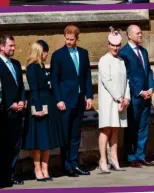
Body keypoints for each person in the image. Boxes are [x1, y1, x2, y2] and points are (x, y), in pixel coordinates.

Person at [50, 24, 93, 177]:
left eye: (72, 39)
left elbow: (87, 75)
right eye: (67, 39)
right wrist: (58, 99)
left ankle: (75, 164)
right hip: (65, 101)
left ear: (77, 39)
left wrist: (89, 95)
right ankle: (66, 166)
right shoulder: (58, 55)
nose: (69, 42)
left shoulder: (83, 53)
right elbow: (54, 79)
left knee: (75, 134)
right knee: (66, 134)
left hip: (79, 100)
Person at [22, 40, 62, 181]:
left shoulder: (42, 66)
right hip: (38, 105)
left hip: (48, 104)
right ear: (41, 51)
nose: (46, 55)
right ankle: (37, 169)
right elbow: (34, 89)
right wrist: (38, 108)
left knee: (47, 139)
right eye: (46, 52)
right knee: (38, 141)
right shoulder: (32, 67)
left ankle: (45, 169)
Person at [118, 24, 154, 168]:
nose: (141, 35)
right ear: (129, 35)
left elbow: (149, 71)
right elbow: (126, 76)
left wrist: (151, 87)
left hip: (147, 96)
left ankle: (141, 155)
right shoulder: (124, 53)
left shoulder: (144, 51)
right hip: (134, 96)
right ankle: (130, 156)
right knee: (132, 127)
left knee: (143, 127)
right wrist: (140, 92)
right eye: (138, 33)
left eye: (141, 33)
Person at [97, 27, 129, 173]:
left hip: (120, 101)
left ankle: (114, 158)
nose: (115, 48)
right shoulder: (104, 60)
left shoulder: (121, 61)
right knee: (106, 129)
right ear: (108, 44)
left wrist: (126, 97)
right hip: (108, 101)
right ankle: (103, 159)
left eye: (117, 45)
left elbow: (125, 81)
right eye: (113, 45)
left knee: (116, 130)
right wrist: (119, 97)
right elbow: (107, 81)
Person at [0, 35, 26, 187]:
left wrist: (22, 100)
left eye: (14, 46)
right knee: (4, 146)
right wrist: (10, 104)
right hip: (4, 112)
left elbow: (21, 86)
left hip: (18, 112)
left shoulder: (16, 64)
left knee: (15, 145)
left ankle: (11, 174)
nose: (13, 48)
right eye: (10, 46)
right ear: (2, 47)